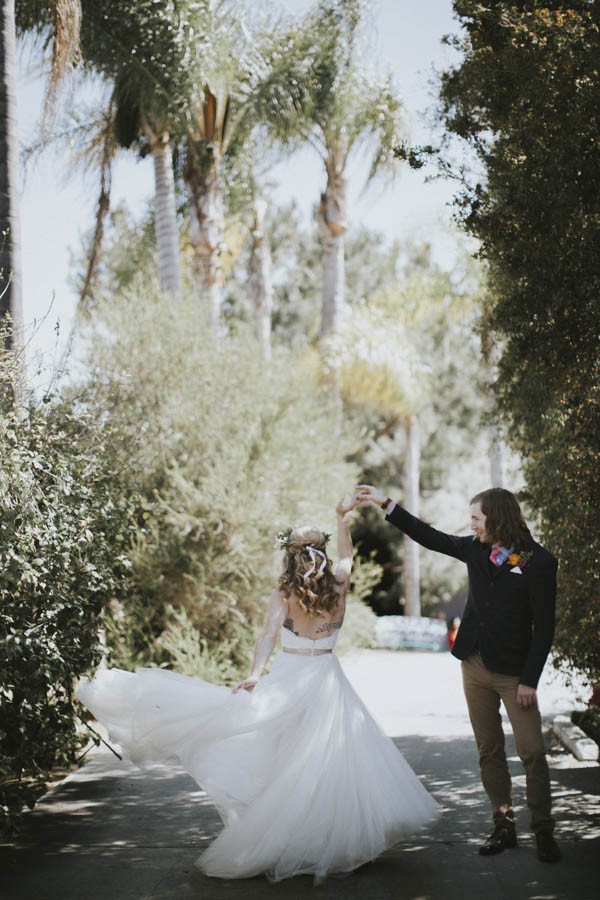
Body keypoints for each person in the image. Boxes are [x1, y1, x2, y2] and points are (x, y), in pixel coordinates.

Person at [77, 495, 439, 884]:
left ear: (291, 557)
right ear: (321, 554)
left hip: (291, 674)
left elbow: (268, 635)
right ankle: (325, 839)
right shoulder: (340, 582)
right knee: (330, 761)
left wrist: (255, 673)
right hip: (328, 677)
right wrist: (341, 517)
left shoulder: (285, 592)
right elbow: (347, 553)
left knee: (281, 757)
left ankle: (295, 836)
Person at [355, 484, 561, 864]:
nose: (472, 525)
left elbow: (544, 628)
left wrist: (530, 679)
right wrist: (386, 503)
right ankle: (503, 826)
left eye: (476, 518)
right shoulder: (473, 549)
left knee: (532, 751)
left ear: (496, 518)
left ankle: (544, 830)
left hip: (516, 674)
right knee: (489, 750)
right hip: (474, 665)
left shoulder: (539, 562)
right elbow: (429, 536)